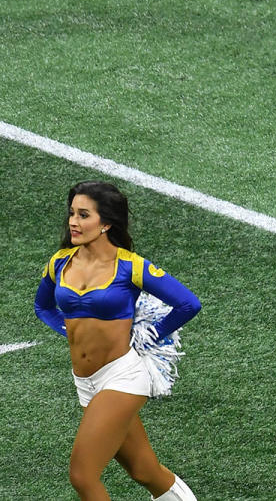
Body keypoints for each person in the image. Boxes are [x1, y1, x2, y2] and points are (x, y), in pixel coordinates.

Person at [33, 181, 201, 501]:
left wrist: (153, 334)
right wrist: (67, 330)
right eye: (72, 213)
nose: (73, 222)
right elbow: (42, 306)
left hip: (123, 377)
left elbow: (188, 304)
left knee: (83, 475)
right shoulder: (59, 262)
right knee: (144, 470)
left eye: (84, 215)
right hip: (85, 382)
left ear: (106, 223)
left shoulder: (130, 266)